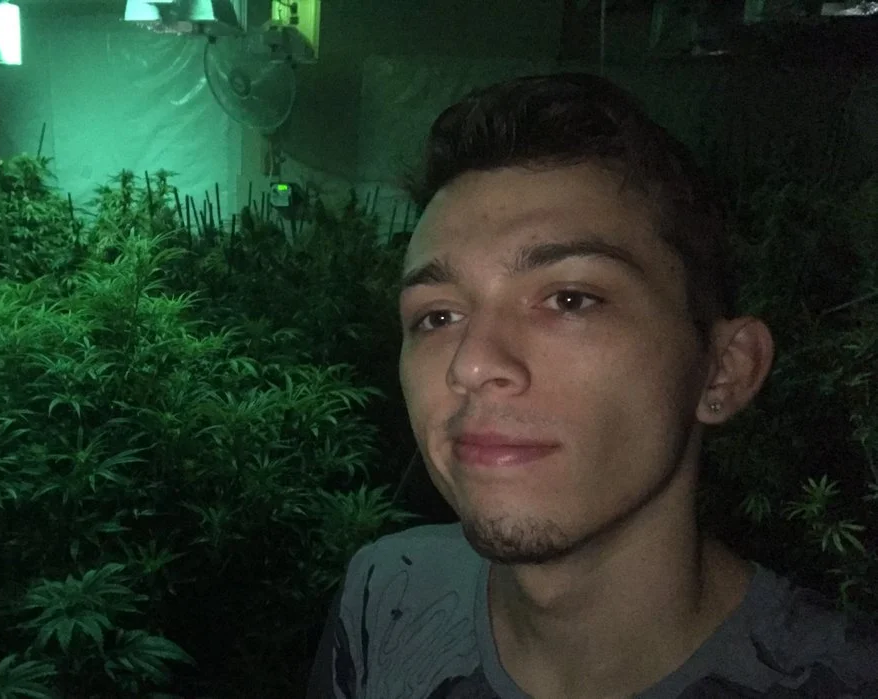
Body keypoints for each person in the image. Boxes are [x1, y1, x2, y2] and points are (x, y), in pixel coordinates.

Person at [306, 73, 878, 699]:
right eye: (437, 316)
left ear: (723, 370)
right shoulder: (387, 598)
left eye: (570, 299)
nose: (470, 364)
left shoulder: (834, 679)